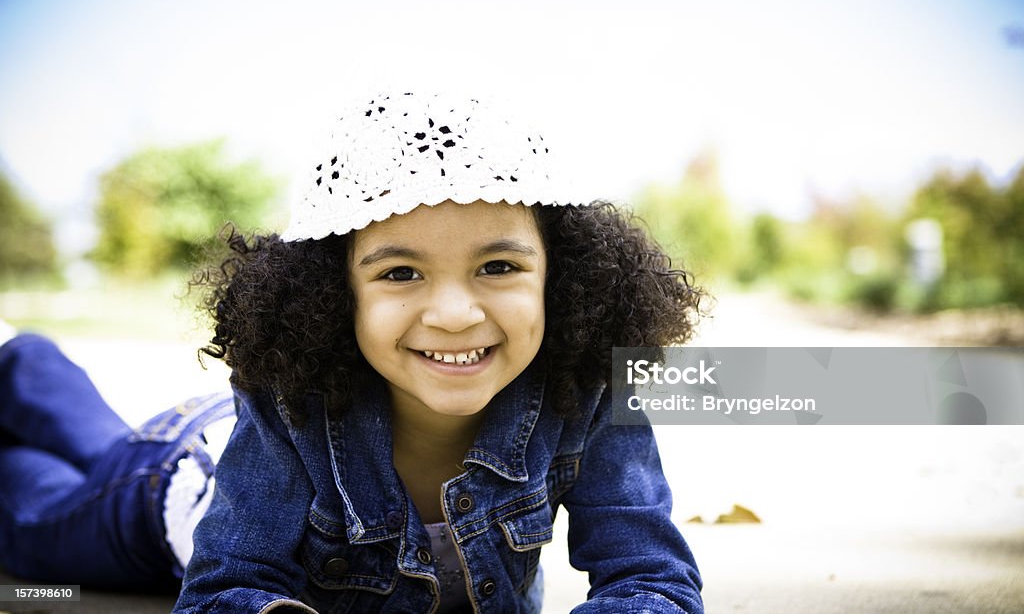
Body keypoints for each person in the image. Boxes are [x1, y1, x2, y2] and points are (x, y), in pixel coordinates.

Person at [1, 92, 705, 612]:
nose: (456, 314)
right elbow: (226, 587)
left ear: (564, 277)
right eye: (401, 273)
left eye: (498, 267)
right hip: (179, 476)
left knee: (93, 443)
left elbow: (655, 581)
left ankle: (31, 367)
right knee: (33, 524)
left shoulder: (588, 392)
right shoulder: (288, 403)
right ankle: (24, 366)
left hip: (205, 433)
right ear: (337, 295)